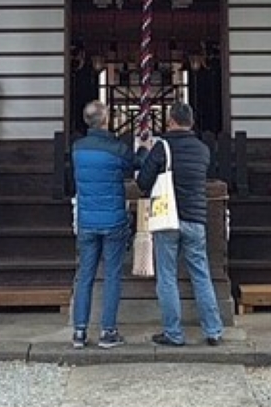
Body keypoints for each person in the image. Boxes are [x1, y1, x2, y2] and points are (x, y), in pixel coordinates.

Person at [136, 100, 224, 347]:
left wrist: (144, 153)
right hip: (195, 218)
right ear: (191, 123)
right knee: (201, 274)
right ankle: (214, 330)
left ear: (171, 121)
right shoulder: (202, 149)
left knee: (167, 276)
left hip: (167, 217)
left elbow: (144, 181)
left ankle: (174, 333)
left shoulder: (162, 147)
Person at [69, 100, 135, 349]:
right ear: (105, 119)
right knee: (112, 275)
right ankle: (108, 331)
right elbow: (134, 165)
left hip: (87, 219)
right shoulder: (116, 149)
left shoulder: (77, 149)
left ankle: (79, 331)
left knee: (84, 275)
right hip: (114, 219)